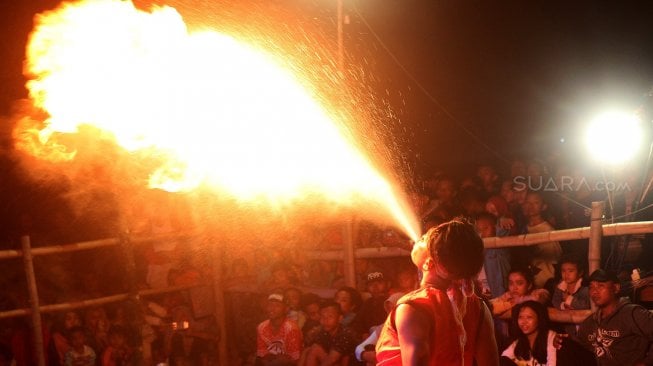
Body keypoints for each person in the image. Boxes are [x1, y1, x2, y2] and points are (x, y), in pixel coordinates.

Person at [375, 220, 499, 365]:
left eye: (426, 237)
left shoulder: (414, 308)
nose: (420, 237)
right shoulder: (479, 307)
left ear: (429, 262)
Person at [576, 269, 653, 366]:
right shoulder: (589, 323)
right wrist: (563, 342)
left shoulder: (632, 314)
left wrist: (646, 362)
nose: (594, 292)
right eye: (591, 287)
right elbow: (578, 350)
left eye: (601, 286)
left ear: (616, 288)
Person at [299, 301, 358, 366]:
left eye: (330, 316)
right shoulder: (323, 332)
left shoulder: (346, 333)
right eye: (322, 317)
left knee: (316, 349)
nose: (325, 320)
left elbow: (332, 359)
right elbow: (307, 350)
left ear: (340, 318)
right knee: (312, 348)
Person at [501, 301, 557, 366]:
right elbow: (504, 358)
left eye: (529, 317)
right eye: (520, 317)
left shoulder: (551, 337)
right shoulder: (520, 341)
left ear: (539, 318)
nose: (524, 322)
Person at [255, 293, 303, 366]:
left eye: (277, 306)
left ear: (286, 309)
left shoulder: (291, 328)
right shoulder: (261, 327)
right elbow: (261, 354)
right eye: (270, 305)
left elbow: (294, 359)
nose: (271, 309)